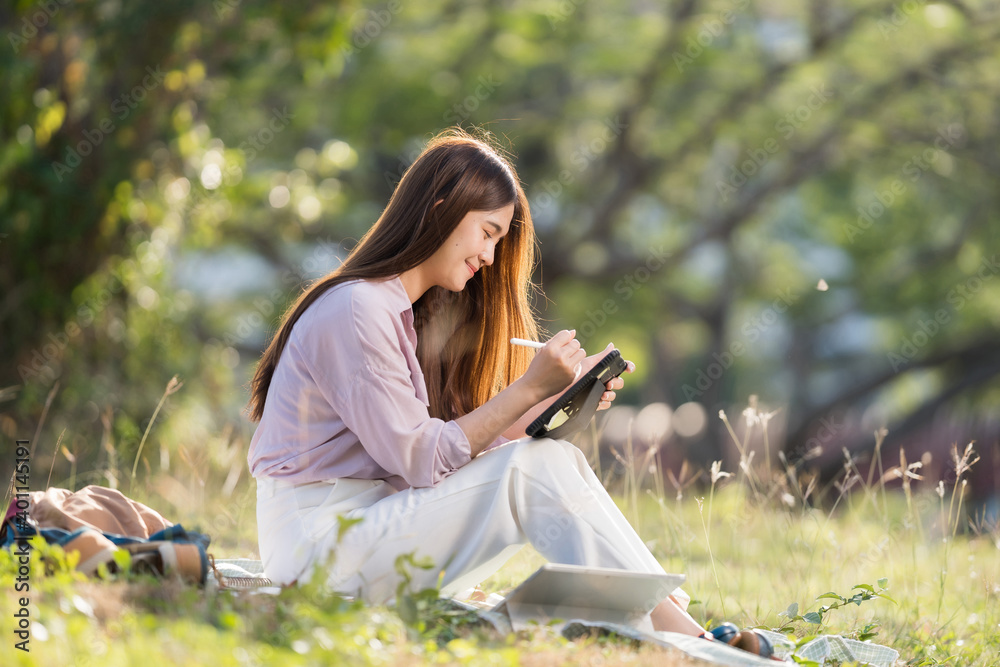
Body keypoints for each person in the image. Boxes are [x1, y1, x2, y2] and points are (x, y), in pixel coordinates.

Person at [245, 129, 774, 657]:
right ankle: (689, 638)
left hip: (366, 534)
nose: (492, 257)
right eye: (487, 233)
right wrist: (525, 390)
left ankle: (675, 623)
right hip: (319, 550)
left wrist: (552, 402)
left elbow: (453, 456)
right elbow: (421, 458)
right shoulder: (358, 309)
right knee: (530, 467)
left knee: (546, 457)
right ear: (440, 207)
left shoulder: (397, 315)